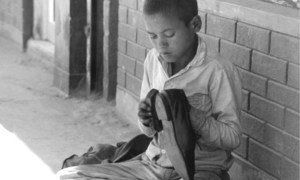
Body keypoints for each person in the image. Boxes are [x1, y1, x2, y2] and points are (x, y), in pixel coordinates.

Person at [57, 0, 242, 179]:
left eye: (169, 35)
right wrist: (145, 119)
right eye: (152, 36)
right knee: (68, 176)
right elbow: (148, 132)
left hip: (199, 169)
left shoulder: (217, 70)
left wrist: (194, 118)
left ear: (195, 24)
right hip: (153, 165)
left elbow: (232, 138)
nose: (161, 44)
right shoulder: (153, 59)